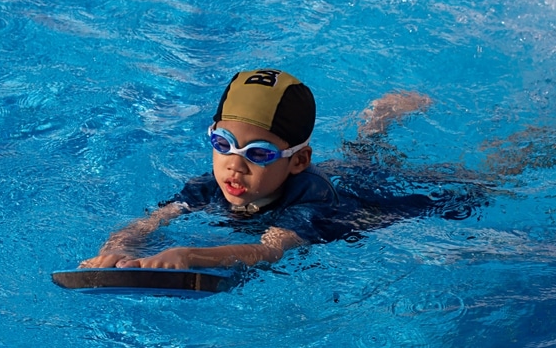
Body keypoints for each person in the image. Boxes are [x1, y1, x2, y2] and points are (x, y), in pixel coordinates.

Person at [79, 68, 528, 270]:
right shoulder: (209, 186)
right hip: (343, 171)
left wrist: (190, 255)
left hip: (368, 198)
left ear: (297, 160)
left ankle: (525, 145)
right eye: (222, 144)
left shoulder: (309, 197)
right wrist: (115, 250)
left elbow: (267, 251)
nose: (233, 165)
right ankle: (376, 127)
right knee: (360, 155)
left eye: (257, 153)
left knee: (479, 187)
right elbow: (147, 224)